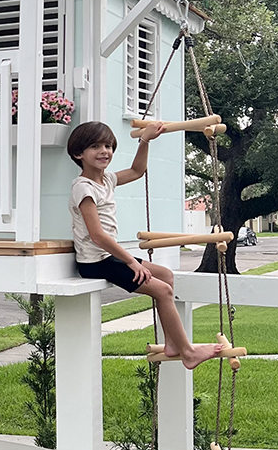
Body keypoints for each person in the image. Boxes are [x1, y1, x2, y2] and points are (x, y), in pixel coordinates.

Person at [67, 120, 221, 370]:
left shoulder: (105, 181)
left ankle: (173, 343)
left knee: (166, 275)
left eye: (108, 145)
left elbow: (137, 171)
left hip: (108, 258)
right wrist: (130, 261)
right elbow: (97, 235)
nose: (104, 151)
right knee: (163, 291)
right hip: (96, 262)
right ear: (78, 154)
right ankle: (188, 352)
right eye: (95, 146)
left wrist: (145, 140)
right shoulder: (83, 188)